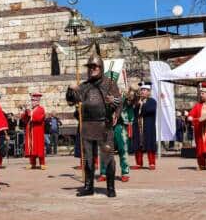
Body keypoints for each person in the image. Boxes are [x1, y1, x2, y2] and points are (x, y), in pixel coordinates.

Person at [65, 50, 121, 197]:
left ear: (101, 68)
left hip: (104, 125)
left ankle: (110, 187)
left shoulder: (110, 83)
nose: (92, 69)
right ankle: (89, 187)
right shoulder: (84, 86)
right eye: (90, 67)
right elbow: (71, 101)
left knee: (108, 157)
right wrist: (70, 90)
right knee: (88, 158)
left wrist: (113, 106)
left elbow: (118, 101)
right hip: (88, 125)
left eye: (95, 66)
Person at [100, 74, 130, 182]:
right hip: (106, 126)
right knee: (105, 149)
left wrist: (116, 114)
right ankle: (104, 172)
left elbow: (121, 102)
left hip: (119, 125)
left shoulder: (119, 96)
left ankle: (125, 172)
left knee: (122, 148)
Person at [131, 82, 158, 170]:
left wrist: (142, 105)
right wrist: (138, 104)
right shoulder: (137, 101)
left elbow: (150, 110)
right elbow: (134, 111)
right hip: (138, 125)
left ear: (149, 92)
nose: (142, 92)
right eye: (141, 90)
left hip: (148, 126)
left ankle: (152, 163)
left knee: (150, 144)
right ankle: (139, 163)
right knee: (137, 144)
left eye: (144, 90)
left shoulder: (152, 101)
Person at [20, 92, 47, 170]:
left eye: (34, 101)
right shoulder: (31, 110)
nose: (32, 102)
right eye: (32, 101)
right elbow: (25, 120)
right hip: (30, 131)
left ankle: (42, 163)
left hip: (37, 131)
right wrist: (25, 113)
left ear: (38, 101)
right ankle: (32, 163)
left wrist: (30, 114)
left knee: (39, 147)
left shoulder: (41, 109)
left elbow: (38, 119)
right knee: (31, 148)